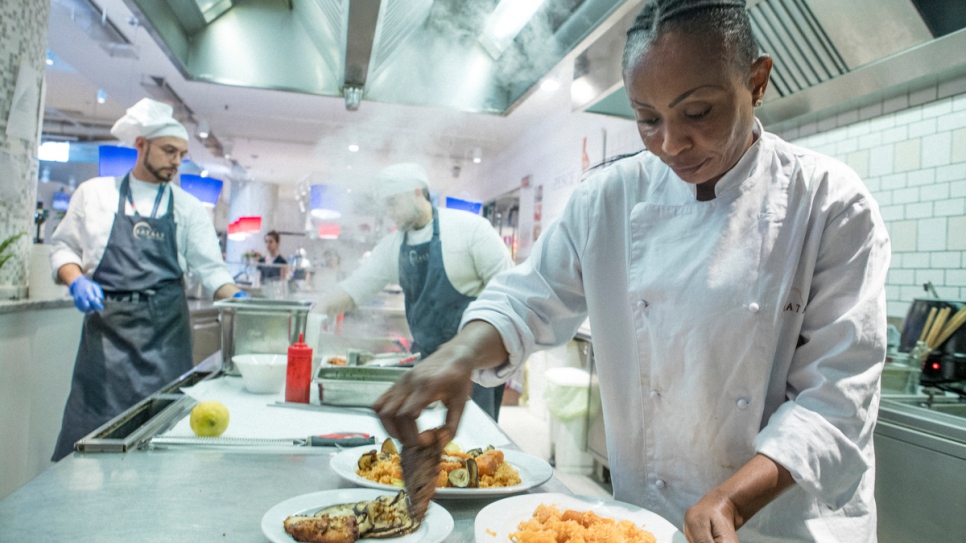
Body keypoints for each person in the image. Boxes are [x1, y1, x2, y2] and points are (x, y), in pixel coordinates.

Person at [374, 2, 890, 542]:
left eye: (698, 113)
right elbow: (528, 299)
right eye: (647, 119)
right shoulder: (609, 198)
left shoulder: (829, 203)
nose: (670, 143)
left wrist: (730, 499)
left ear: (757, 82)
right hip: (648, 518)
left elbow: (835, 400)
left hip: (785, 526)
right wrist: (456, 357)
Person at [49, 98, 247, 461]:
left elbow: (213, 270)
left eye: (181, 154)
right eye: (169, 151)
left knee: (159, 438)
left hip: (165, 337)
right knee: (91, 438)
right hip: (106, 337)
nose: (176, 161)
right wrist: (76, 279)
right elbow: (63, 249)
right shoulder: (94, 194)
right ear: (141, 145)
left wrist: (239, 300)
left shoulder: (187, 207)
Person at [320, 163, 513, 420]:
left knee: (475, 445)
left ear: (417, 192)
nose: (389, 212)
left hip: (473, 363)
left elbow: (508, 290)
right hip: (426, 362)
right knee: (427, 438)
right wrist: (318, 309)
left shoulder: (470, 229)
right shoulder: (393, 245)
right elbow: (356, 288)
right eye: (385, 205)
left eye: (393, 203)